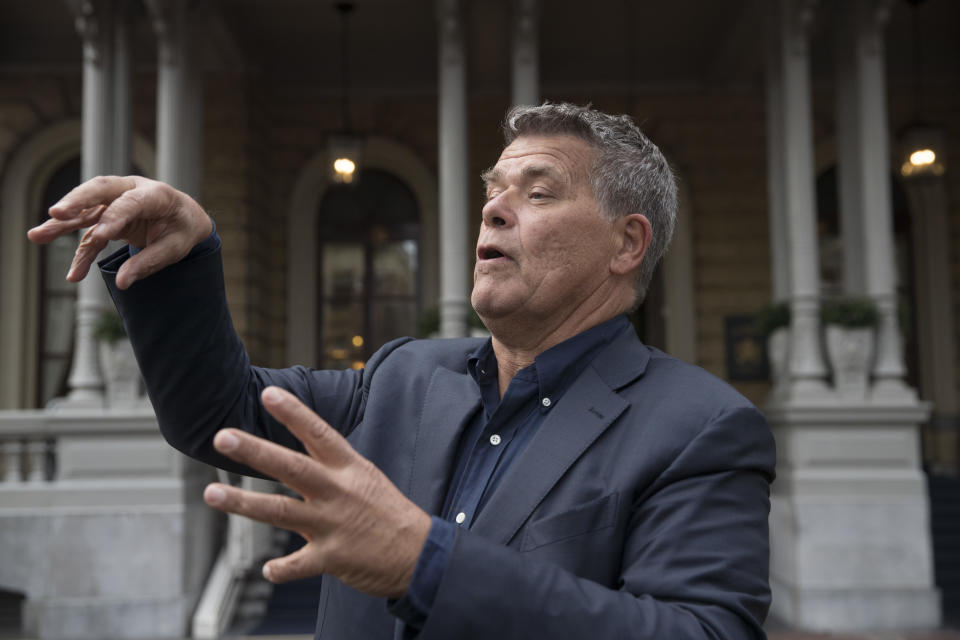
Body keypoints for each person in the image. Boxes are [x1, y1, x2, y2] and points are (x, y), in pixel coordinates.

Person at [29, 103, 775, 639]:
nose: (494, 210)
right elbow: (215, 411)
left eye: (537, 192)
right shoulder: (402, 375)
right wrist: (178, 264)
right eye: (493, 191)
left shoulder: (701, 427)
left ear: (627, 243)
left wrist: (426, 565)